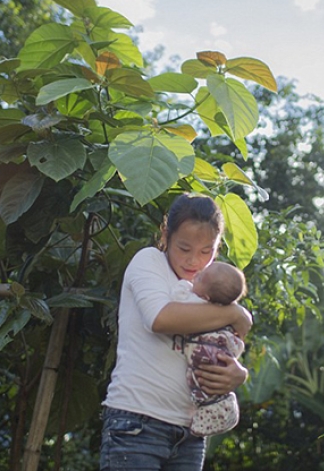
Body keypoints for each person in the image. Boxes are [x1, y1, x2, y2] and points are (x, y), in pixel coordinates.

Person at [100, 194, 253, 471]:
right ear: (165, 234)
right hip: (137, 424)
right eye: (184, 248)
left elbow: (227, 346)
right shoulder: (149, 262)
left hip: (191, 433)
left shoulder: (213, 287)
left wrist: (239, 374)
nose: (194, 260)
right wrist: (236, 313)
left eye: (206, 251)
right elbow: (160, 318)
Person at [174, 262, 247, 437]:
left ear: (206, 296)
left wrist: (184, 284)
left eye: (199, 277)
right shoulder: (226, 314)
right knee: (211, 388)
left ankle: (210, 418)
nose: (196, 273)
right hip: (220, 351)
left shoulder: (195, 303)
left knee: (202, 384)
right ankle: (222, 409)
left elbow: (177, 298)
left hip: (203, 358)